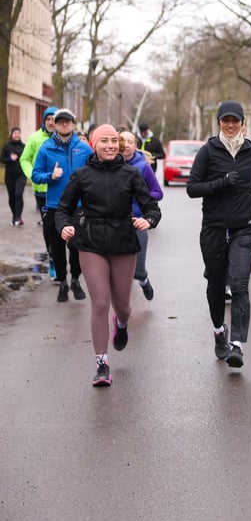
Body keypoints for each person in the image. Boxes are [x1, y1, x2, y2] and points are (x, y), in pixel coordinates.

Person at [54, 124, 162, 387]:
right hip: (91, 242)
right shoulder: (82, 175)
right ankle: (102, 365)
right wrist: (64, 226)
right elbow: (62, 209)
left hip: (124, 242)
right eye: (105, 141)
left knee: (123, 306)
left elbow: (152, 206)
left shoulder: (131, 174)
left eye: (114, 140)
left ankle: (122, 323)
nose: (111, 145)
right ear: (95, 144)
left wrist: (148, 219)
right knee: (100, 303)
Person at [186, 101, 251, 369]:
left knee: (241, 284)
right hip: (214, 228)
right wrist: (222, 183)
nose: (231, 125)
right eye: (226, 121)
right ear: (219, 122)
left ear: (243, 122)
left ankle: (237, 346)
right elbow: (192, 188)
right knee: (216, 285)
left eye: (235, 121)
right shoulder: (208, 151)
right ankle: (219, 332)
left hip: (244, 227)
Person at [31, 109, 93, 302]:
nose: (64, 125)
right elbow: (35, 175)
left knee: (76, 245)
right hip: (54, 205)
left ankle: (75, 279)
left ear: (73, 124)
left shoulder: (84, 149)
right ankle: (63, 283)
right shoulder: (45, 148)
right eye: (60, 122)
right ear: (55, 125)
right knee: (57, 247)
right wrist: (50, 176)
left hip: (79, 205)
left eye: (67, 122)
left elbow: (96, 171)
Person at [120, 131, 163, 300]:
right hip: (116, 223)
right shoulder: (109, 165)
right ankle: (121, 308)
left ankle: (143, 279)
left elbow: (158, 193)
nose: (127, 145)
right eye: (123, 141)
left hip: (138, 221)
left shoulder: (143, 167)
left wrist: (141, 196)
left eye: (130, 141)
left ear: (135, 146)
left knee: (137, 270)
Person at [20, 106, 58, 271]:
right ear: (44, 120)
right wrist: (32, 175)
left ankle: (60, 256)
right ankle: (52, 257)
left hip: (61, 188)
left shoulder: (64, 137)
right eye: (48, 119)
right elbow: (24, 159)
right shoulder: (35, 138)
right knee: (48, 225)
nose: (50, 122)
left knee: (62, 224)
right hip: (42, 188)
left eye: (53, 119)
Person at [2, 127, 25, 226]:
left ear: (20, 134)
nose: (16, 135)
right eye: (14, 133)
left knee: (18, 194)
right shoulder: (7, 146)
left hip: (21, 175)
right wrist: (10, 159)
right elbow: (2, 159)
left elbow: (27, 158)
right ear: (11, 134)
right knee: (12, 197)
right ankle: (14, 215)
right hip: (9, 175)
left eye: (18, 133)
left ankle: (18, 217)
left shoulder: (24, 147)